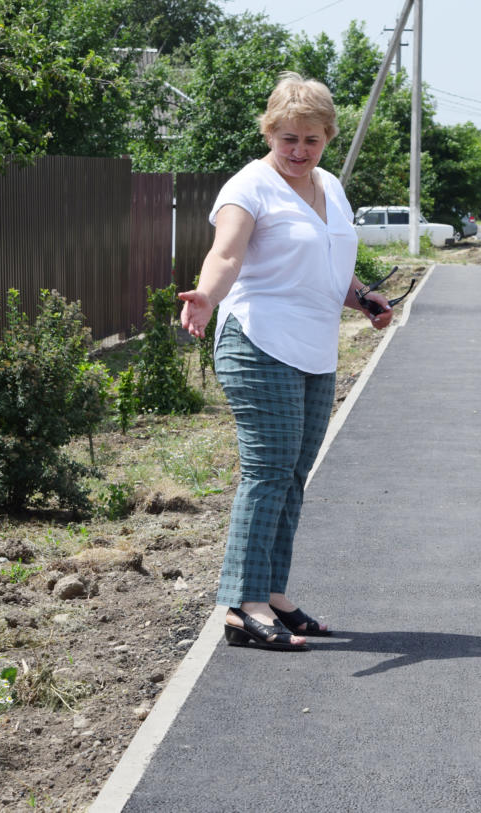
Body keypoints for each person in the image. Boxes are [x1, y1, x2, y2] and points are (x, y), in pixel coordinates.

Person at [179, 72, 394, 652]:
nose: (299, 152)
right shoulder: (248, 186)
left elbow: (328, 260)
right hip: (259, 344)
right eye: (287, 139)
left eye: (311, 140)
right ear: (269, 133)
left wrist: (361, 298)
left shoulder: (329, 186)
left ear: (327, 137)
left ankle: (272, 593)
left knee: (294, 476)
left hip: (315, 350)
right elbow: (226, 254)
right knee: (268, 471)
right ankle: (242, 604)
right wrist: (206, 296)